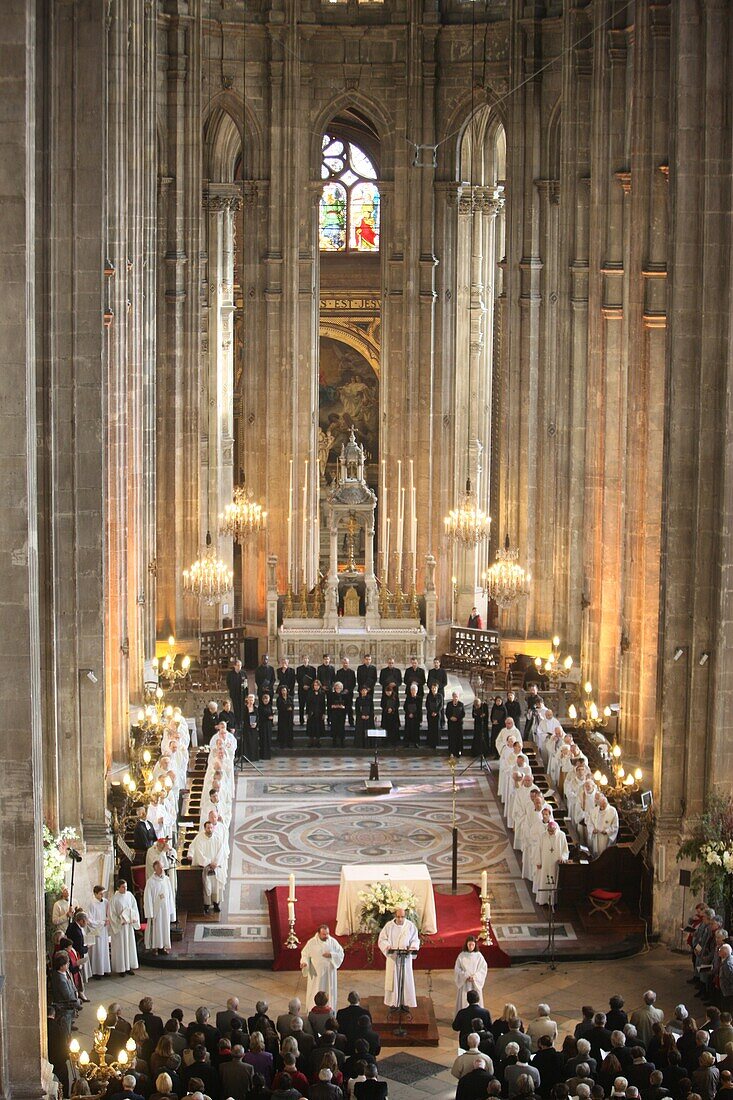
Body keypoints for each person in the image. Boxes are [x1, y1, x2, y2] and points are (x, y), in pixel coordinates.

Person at [378, 907, 419, 1009]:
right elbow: (382, 939)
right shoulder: (389, 926)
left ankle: (405, 1002)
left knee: (406, 980)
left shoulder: (410, 926)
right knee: (393, 981)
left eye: (402, 917)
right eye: (398, 917)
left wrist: (412, 947)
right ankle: (393, 1002)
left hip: (406, 959)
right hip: (393, 959)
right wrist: (388, 947)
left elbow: (415, 939)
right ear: (395, 916)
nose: (400, 919)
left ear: (405, 916)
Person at [301, 924, 345, 1010]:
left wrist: (331, 955)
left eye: (327, 933)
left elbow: (341, 953)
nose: (326, 936)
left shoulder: (333, 942)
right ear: (318, 933)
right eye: (324, 934)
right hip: (316, 975)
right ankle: (312, 1009)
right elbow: (305, 954)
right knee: (316, 990)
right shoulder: (311, 943)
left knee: (329, 991)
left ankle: (329, 1009)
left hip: (329, 974)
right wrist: (304, 962)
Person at [188, 821, 227, 915]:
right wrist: (209, 863)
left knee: (216, 886)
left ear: (213, 828)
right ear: (204, 828)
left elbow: (221, 851)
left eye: (211, 828)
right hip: (206, 867)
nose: (209, 829)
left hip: (215, 867)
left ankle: (216, 904)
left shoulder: (217, 838)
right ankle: (206, 906)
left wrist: (216, 863)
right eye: (208, 828)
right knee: (207, 887)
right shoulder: (200, 838)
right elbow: (199, 852)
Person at [144, 860, 176, 955]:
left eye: (162, 867)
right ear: (155, 869)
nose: (162, 869)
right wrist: (150, 913)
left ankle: (163, 947)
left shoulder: (166, 879)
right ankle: (155, 948)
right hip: (156, 910)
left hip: (165, 909)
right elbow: (147, 898)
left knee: (164, 928)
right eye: (160, 868)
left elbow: (170, 894)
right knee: (156, 929)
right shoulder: (150, 882)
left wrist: (171, 909)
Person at [109, 879, 140, 976]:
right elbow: (111, 914)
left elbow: (134, 907)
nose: (125, 888)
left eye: (126, 886)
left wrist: (134, 918)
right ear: (118, 887)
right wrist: (119, 921)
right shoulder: (114, 898)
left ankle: (128, 967)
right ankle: (121, 969)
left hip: (128, 926)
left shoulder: (129, 895)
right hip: (120, 927)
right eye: (123, 887)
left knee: (129, 946)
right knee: (121, 947)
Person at [535, 822, 569, 905]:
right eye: (549, 831)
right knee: (544, 880)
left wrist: (563, 858)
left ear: (555, 829)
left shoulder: (561, 835)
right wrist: (538, 861)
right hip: (545, 862)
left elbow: (565, 850)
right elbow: (538, 849)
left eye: (552, 831)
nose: (550, 833)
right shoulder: (543, 835)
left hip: (555, 863)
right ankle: (543, 900)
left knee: (554, 881)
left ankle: (552, 901)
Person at [454, 937, 488, 1013]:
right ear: (466, 945)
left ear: (475, 945)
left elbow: (483, 969)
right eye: (469, 944)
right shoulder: (461, 955)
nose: (471, 946)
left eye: (472, 945)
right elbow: (457, 969)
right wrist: (465, 976)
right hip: (465, 983)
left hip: (474, 983)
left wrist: (475, 977)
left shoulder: (479, 956)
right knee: (464, 1001)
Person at [50, 952, 81, 1035]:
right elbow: (67, 995)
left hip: (71, 1002)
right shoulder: (60, 980)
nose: (68, 965)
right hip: (65, 1006)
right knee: (65, 1027)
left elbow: (71, 983)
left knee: (69, 1021)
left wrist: (75, 991)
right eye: (67, 964)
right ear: (61, 966)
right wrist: (77, 1002)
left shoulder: (65, 972)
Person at [87, 884, 111, 977]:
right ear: (95, 894)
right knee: (97, 950)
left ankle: (105, 969)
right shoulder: (91, 904)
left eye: (103, 894)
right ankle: (97, 971)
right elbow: (89, 920)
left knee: (104, 949)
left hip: (104, 930)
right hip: (97, 930)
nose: (102, 896)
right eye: (100, 894)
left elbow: (108, 914)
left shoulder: (105, 902)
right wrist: (101, 923)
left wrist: (107, 920)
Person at [226, 658, 248, 727]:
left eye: (240, 665)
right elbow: (228, 683)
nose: (239, 667)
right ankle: (237, 722)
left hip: (242, 694)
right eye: (238, 665)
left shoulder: (243, 673)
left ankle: (241, 721)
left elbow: (246, 684)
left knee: (242, 708)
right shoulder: (230, 674)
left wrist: (246, 694)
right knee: (236, 708)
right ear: (234, 666)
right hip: (234, 693)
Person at [296, 656, 317, 725]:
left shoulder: (313, 669)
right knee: (301, 705)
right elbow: (298, 679)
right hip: (301, 689)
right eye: (304, 658)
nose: (305, 660)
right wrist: (303, 685)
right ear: (302, 660)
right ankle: (301, 720)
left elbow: (314, 679)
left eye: (306, 658)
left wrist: (309, 686)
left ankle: (310, 720)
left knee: (310, 706)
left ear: (308, 660)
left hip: (310, 690)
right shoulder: (298, 669)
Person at [427, 658, 448, 725]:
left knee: (440, 707)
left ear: (439, 663)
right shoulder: (431, 671)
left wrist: (437, 688)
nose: (436, 664)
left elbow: (445, 682)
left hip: (440, 692)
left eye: (437, 662)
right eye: (435, 662)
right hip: (432, 692)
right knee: (431, 706)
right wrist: (432, 688)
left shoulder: (443, 671)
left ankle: (442, 721)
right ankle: (431, 721)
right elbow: (428, 682)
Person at [307, 679, 327, 746]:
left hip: (319, 712)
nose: (316, 687)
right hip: (312, 712)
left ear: (319, 686)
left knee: (318, 727)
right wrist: (307, 713)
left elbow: (323, 704)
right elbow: (308, 703)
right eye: (315, 685)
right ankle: (311, 741)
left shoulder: (322, 693)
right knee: (311, 727)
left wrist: (324, 713)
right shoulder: (310, 693)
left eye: (317, 685)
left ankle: (318, 741)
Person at [446, 691, 466, 756]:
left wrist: (457, 718)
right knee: (452, 738)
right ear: (452, 697)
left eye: (457, 697)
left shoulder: (461, 704)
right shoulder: (449, 704)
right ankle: (451, 751)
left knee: (459, 737)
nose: (455, 698)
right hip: (451, 724)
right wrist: (450, 717)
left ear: (458, 697)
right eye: (454, 696)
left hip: (459, 724)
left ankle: (459, 751)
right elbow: (447, 713)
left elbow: (463, 714)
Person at [403, 682, 422, 747]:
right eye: (412, 690)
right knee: (408, 730)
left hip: (416, 717)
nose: (413, 691)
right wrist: (409, 713)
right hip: (408, 716)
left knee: (415, 730)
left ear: (417, 691)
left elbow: (419, 709)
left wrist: (413, 714)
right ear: (410, 691)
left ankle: (416, 743)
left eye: (415, 690)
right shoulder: (408, 698)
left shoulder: (419, 699)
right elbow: (405, 706)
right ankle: (407, 743)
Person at [329, 681, 348, 747]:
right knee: (334, 727)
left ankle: (342, 742)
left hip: (341, 714)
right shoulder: (331, 695)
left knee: (341, 728)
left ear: (341, 688)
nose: (338, 689)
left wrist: (343, 707)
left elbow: (347, 705)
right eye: (337, 687)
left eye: (339, 688)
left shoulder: (344, 695)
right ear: (334, 688)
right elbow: (329, 704)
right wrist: (333, 706)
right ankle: (334, 742)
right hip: (334, 713)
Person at [425, 682, 443, 750]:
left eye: (435, 688)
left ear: (437, 688)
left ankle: (436, 743)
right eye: (432, 688)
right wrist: (431, 712)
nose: (433, 689)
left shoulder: (440, 696)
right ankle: (430, 742)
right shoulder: (429, 696)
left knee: (436, 728)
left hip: (437, 714)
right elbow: (427, 705)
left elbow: (441, 705)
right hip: (430, 714)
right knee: (430, 727)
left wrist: (435, 712)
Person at [339, 658, 357, 726]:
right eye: (344, 663)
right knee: (342, 708)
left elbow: (353, 683)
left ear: (348, 663)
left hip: (349, 693)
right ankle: (341, 721)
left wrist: (348, 690)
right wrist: (342, 690)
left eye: (346, 663)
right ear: (342, 663)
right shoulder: (339, 672)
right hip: (341, 693)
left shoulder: (352, 672)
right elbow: (338, 682)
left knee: (349, 708)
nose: (345, 664)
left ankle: (351, 721)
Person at [258, 692, 273, 759]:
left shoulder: (270, 706)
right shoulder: (260, 707)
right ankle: (263, 755)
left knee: (268, 739)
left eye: (267, 699)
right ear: (262, 700)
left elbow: (271, 714)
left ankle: (268, 755)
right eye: (265, 699)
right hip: (263, 725)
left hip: (268, 725)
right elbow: (260, 716)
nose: (266, 700)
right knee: (263, 739)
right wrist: (267, 717)